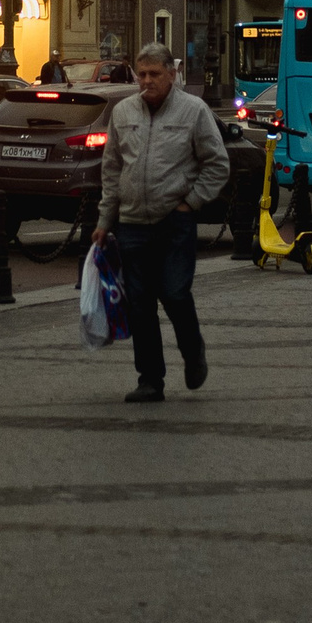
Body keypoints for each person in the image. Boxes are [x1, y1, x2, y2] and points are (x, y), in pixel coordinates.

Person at [93, 40, 229, 404]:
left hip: (174, 222)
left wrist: (192, 203)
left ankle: (192, 350)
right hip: (132, 223)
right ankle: (150, 379)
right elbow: (112, 170)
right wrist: (105, 220)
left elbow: (217, 164)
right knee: (140, 304)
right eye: (142, 74)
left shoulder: (193, 111)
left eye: (155, 74)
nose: (147, 81)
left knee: (174, 293)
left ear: (172, 74)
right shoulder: (123, 113)